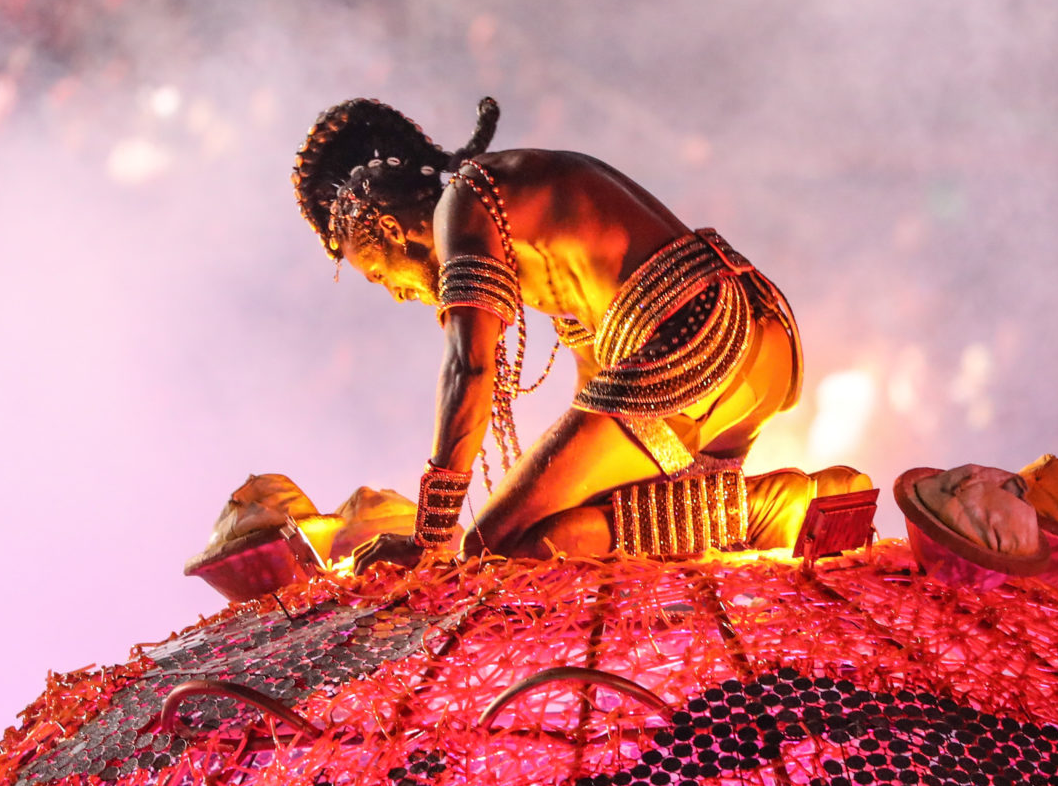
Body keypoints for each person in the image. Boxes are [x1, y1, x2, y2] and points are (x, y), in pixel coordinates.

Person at [292, 97, 801, 563]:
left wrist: (428, 536)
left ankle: (758, 513)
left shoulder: (463, 204)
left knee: (491, 550)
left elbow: (469, 368)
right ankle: (764, 508)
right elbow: (597, 375)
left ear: (390, 229)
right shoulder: (523, 210)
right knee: (567, 527)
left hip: (696, 344)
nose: (397, 295)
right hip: (760, 349)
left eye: (379, 276)